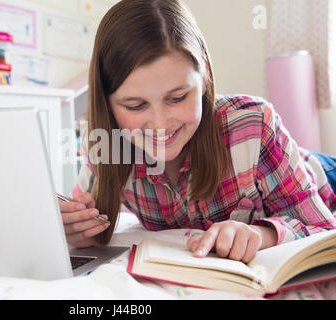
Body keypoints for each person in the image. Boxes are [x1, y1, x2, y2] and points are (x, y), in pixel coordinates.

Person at [58, 0, 336, 263]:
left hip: (320, 174)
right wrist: (76, 229)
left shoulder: (252, 123)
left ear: (203, 78)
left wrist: (262, 234)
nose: (160, 124)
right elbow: (84, 217)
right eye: (136, 105)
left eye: (177, 97)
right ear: (108, 105)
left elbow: (321, 226)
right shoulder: (108, 145)